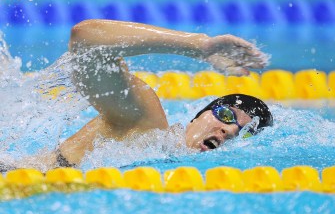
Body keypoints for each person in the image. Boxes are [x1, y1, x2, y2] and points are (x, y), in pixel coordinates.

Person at [0, 20, 273, 172]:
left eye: (245, 133)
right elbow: (86, 38)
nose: (229, 131)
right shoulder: (146, 124)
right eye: (226, 116)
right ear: (197, 116)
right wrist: (197, 46)